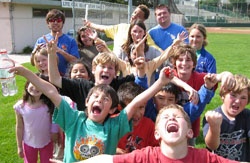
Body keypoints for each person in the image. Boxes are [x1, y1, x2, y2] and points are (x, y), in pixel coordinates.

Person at [11, 64, 175, 162]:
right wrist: (25, 72)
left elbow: (136, 102)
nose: (99, 100)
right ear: (87, 102)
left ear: (111, 110)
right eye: (95, 97)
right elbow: (51, 91)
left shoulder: (114, 126)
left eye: (106, 100)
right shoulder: (74, 119)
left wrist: (160, 82)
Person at [76, 104, 239, 163]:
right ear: (157, 134)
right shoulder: (146, 157)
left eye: (177, 117)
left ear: (190, 132)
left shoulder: (203, 158)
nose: (171, 119)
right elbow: (107, 160)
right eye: (166, 118)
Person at [46, 33, 146, 111]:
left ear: (115, 73)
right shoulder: (82, 86)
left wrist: (140, 56)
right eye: (102, 66)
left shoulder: (118, 84)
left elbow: (139, 79)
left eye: (110, 68)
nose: (106, 70)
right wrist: (51, 54)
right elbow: (55, 79)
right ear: (93, 70)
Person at [170, 44, 235, 146]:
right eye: (180, 60)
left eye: (188, 60)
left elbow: (217, 76)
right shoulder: (171, 75)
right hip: (170, 123)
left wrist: (227, 74)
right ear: (174, 63)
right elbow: (165, 75)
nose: (184, 63)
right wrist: (187, 87)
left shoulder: (200, 78)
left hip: (191, 126)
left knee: (189, 152)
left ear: (194, 64)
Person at [203, 74, 250, 162]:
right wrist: (214, 126)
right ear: (223, 95)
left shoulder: (247, 116)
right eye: (233, 95)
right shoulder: (213, 116)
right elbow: (211, 146)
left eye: (243, 98)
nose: (237, 101)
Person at [84, 4, 161, 56]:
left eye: (139, 16)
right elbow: (103, 28)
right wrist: (90, 24)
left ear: (143, 20)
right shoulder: (120, 27)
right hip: (115, 70)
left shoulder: (145, 36)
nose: (134, 16)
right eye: (135, 13)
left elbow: (158, 51)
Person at [13, 76, 54, 163]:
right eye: (33, 84)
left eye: (39, 86)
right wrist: (19, 146)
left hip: (47, 141)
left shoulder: (48, 104)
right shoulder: (20, 107)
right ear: (27, 85)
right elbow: (19, 127)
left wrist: (55, 134)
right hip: (29, 142)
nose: (36, 88)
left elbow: (53, 121)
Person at [116, 82, 159, 154]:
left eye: (141, 107)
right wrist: (114, 150)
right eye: (132, 108)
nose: (137, 113)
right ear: (120, 108)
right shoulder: (111, 123)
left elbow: (157, 151)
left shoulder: (149, 125)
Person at [33, 9, 79, 76]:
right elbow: (32, 62)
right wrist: (34, 52)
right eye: (52, 20)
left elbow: (76, 61)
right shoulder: (41, 40)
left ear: (63, 23)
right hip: (46, 78)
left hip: (65, 78)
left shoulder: (70, 40)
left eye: (58, 20)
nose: (55, 22)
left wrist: (60, 51)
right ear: (48, 23)